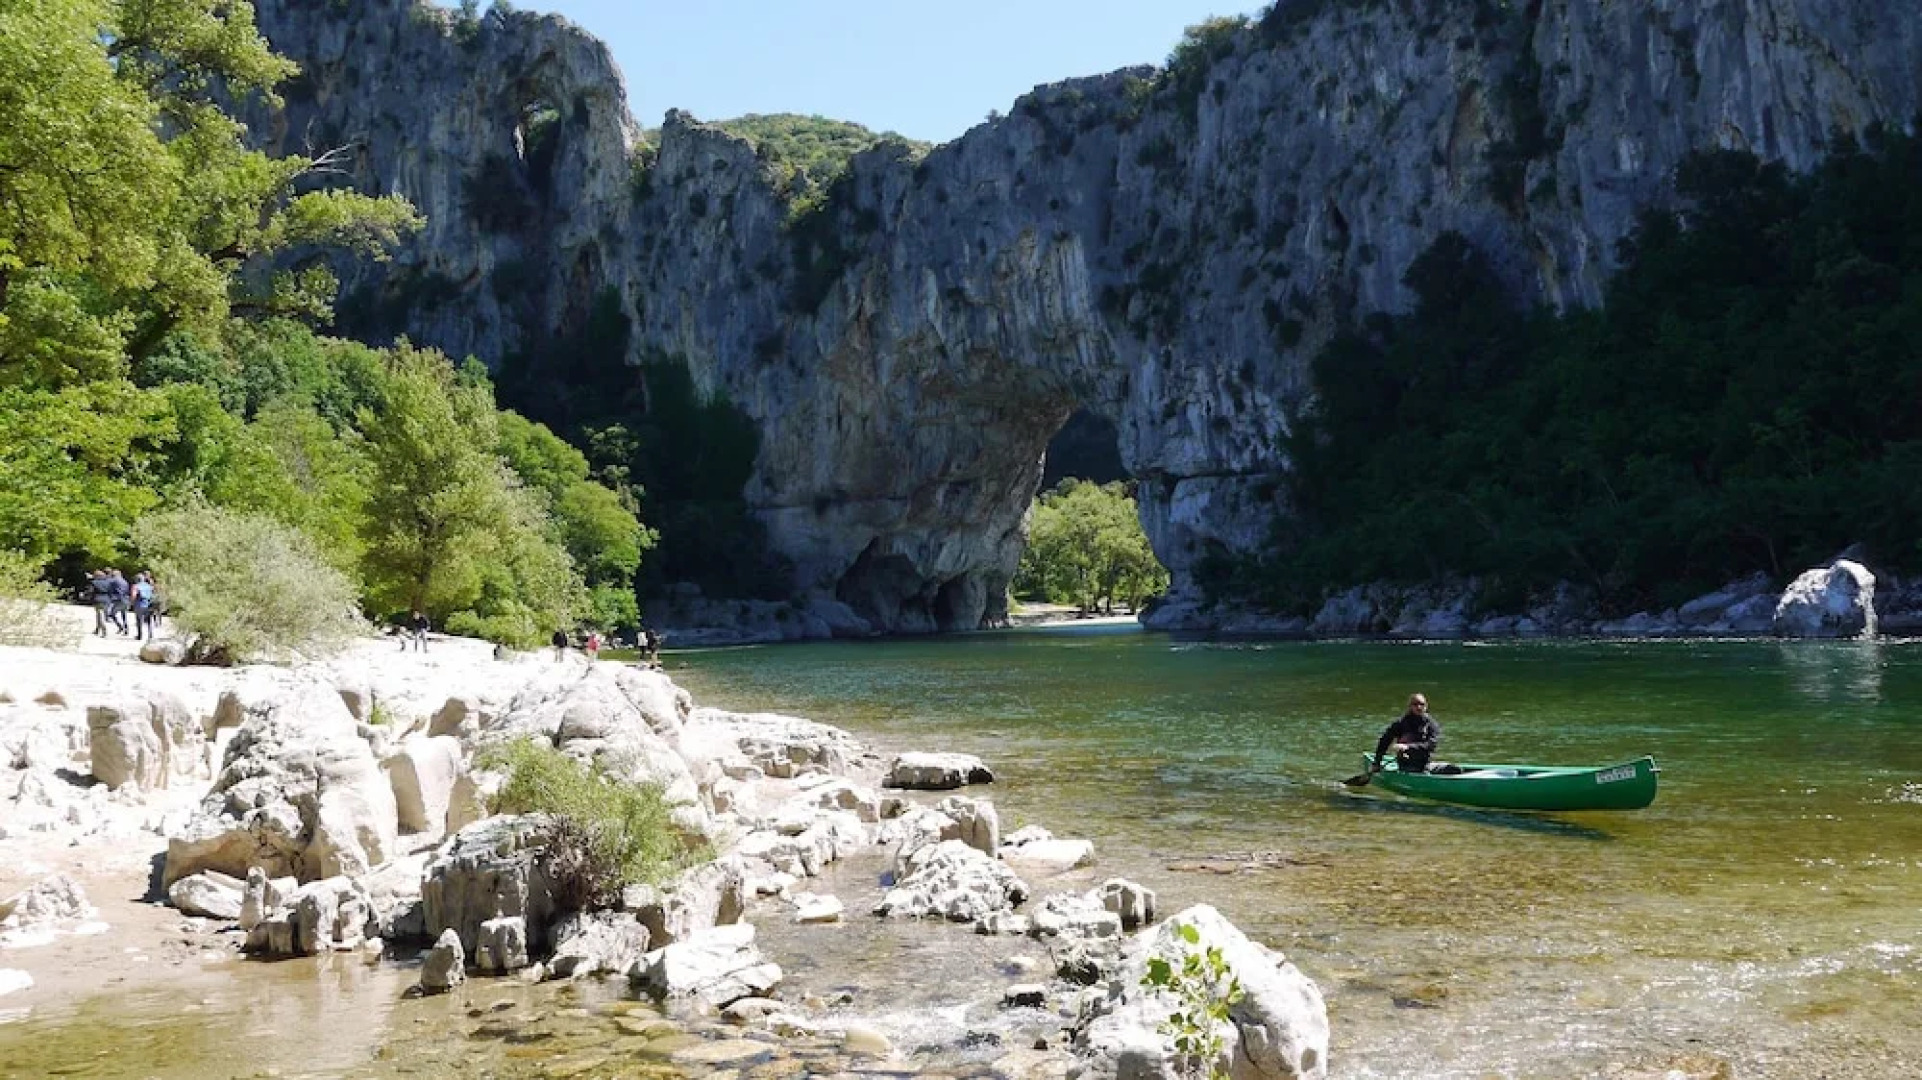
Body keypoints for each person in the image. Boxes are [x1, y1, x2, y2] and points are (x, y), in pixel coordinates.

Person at [1372, 692, 1441, 775]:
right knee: (1413, 770)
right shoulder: (1401, 723)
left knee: (1455, 769)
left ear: (1426, 706)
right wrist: (1377, 762)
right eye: (1415, 704)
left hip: (1425, 763)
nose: (1419, 707)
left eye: (1422, 704)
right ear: (1410, 706)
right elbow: (1384, 741)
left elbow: (1431, 744)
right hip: (1407, 764)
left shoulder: (1432, 724)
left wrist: (1408, 747)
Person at [130, 572, 157, 640]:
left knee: (139, 620)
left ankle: (140, 635)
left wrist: (132, 603)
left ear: (137, 579)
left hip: (139, 604)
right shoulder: (149, 586)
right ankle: (150, 634)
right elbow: (152, 595)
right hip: (148, 604)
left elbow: (133, 595)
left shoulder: (135, 586)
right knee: (149, 620)